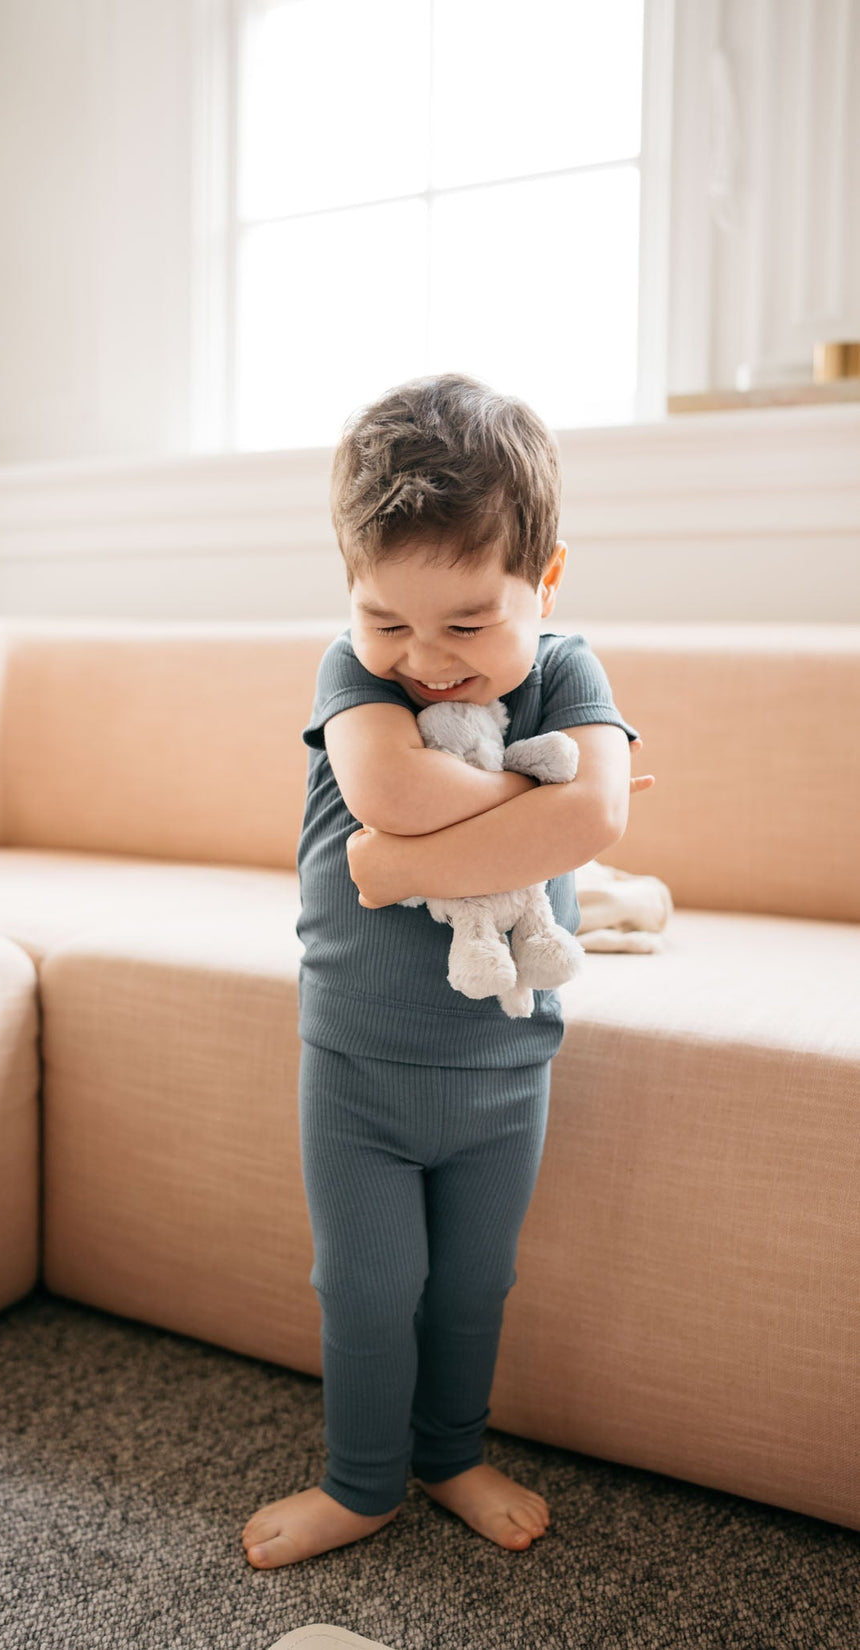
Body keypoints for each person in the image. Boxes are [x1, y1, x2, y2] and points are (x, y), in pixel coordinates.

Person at [241, 373, 655, 1570]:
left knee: (474, 1287)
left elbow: (599, 824)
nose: (422, 662)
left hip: (503, 1062)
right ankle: (362, 1482)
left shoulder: (568, 673)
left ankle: (447, 1452)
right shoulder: (350, 673)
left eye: (467, 626)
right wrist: (541, 798)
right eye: (387, 621)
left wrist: (401, 866)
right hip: (357, 1063)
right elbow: (390, 794)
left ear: (546, 582)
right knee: (367, 1290)